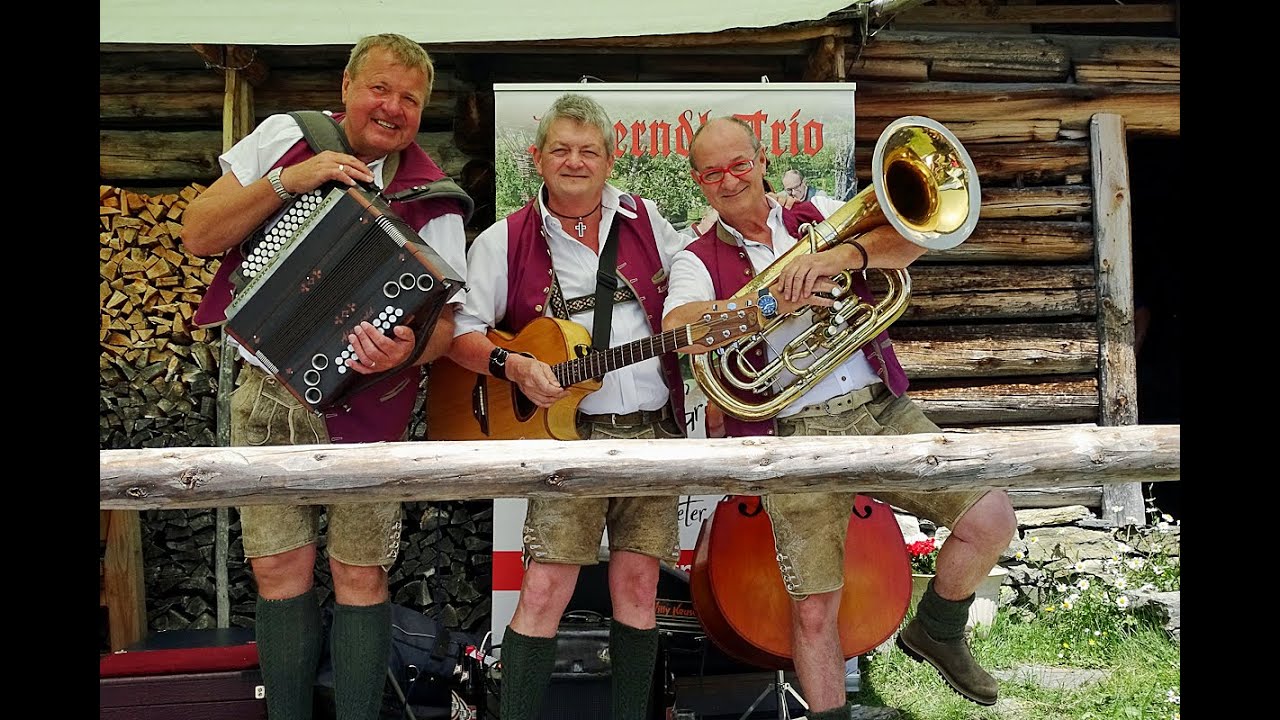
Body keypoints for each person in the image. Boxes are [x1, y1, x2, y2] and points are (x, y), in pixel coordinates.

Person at [661, 117, 1018, 717]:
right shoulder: (694, 258)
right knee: (814, 605)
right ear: (699, 182)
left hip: (878, 408)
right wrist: (771, 302)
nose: (729, 180)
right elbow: (680, 328)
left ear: (762, 160)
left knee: (991, 517)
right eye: (713, 172)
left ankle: (938, 627)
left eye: (739, 165)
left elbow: (913, 242)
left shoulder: (818, 216)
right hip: (791, 435)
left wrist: (843, 255)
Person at [181, 33, 471, 720]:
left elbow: (448, 329)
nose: (392, 107)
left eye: (410, 98)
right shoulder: (287, 137)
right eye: (380, 88)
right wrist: (289, 181)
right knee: (278, 572)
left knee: (360, 574)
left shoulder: (437, 200)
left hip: (373, 405)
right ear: (346, 86)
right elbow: (198, 232)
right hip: (268, 396)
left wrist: (403, 353)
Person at [446, 92, 691, 720]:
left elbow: (691, 292)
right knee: (547, 586)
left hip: (653, 433)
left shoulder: (648, 222)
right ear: (537, 158)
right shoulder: (504, 240)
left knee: (638, 588)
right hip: (566, 440)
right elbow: (462, 334)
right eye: (561, 149)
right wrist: (515, 365)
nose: (575, 161)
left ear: (610, 160)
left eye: (588, 151)